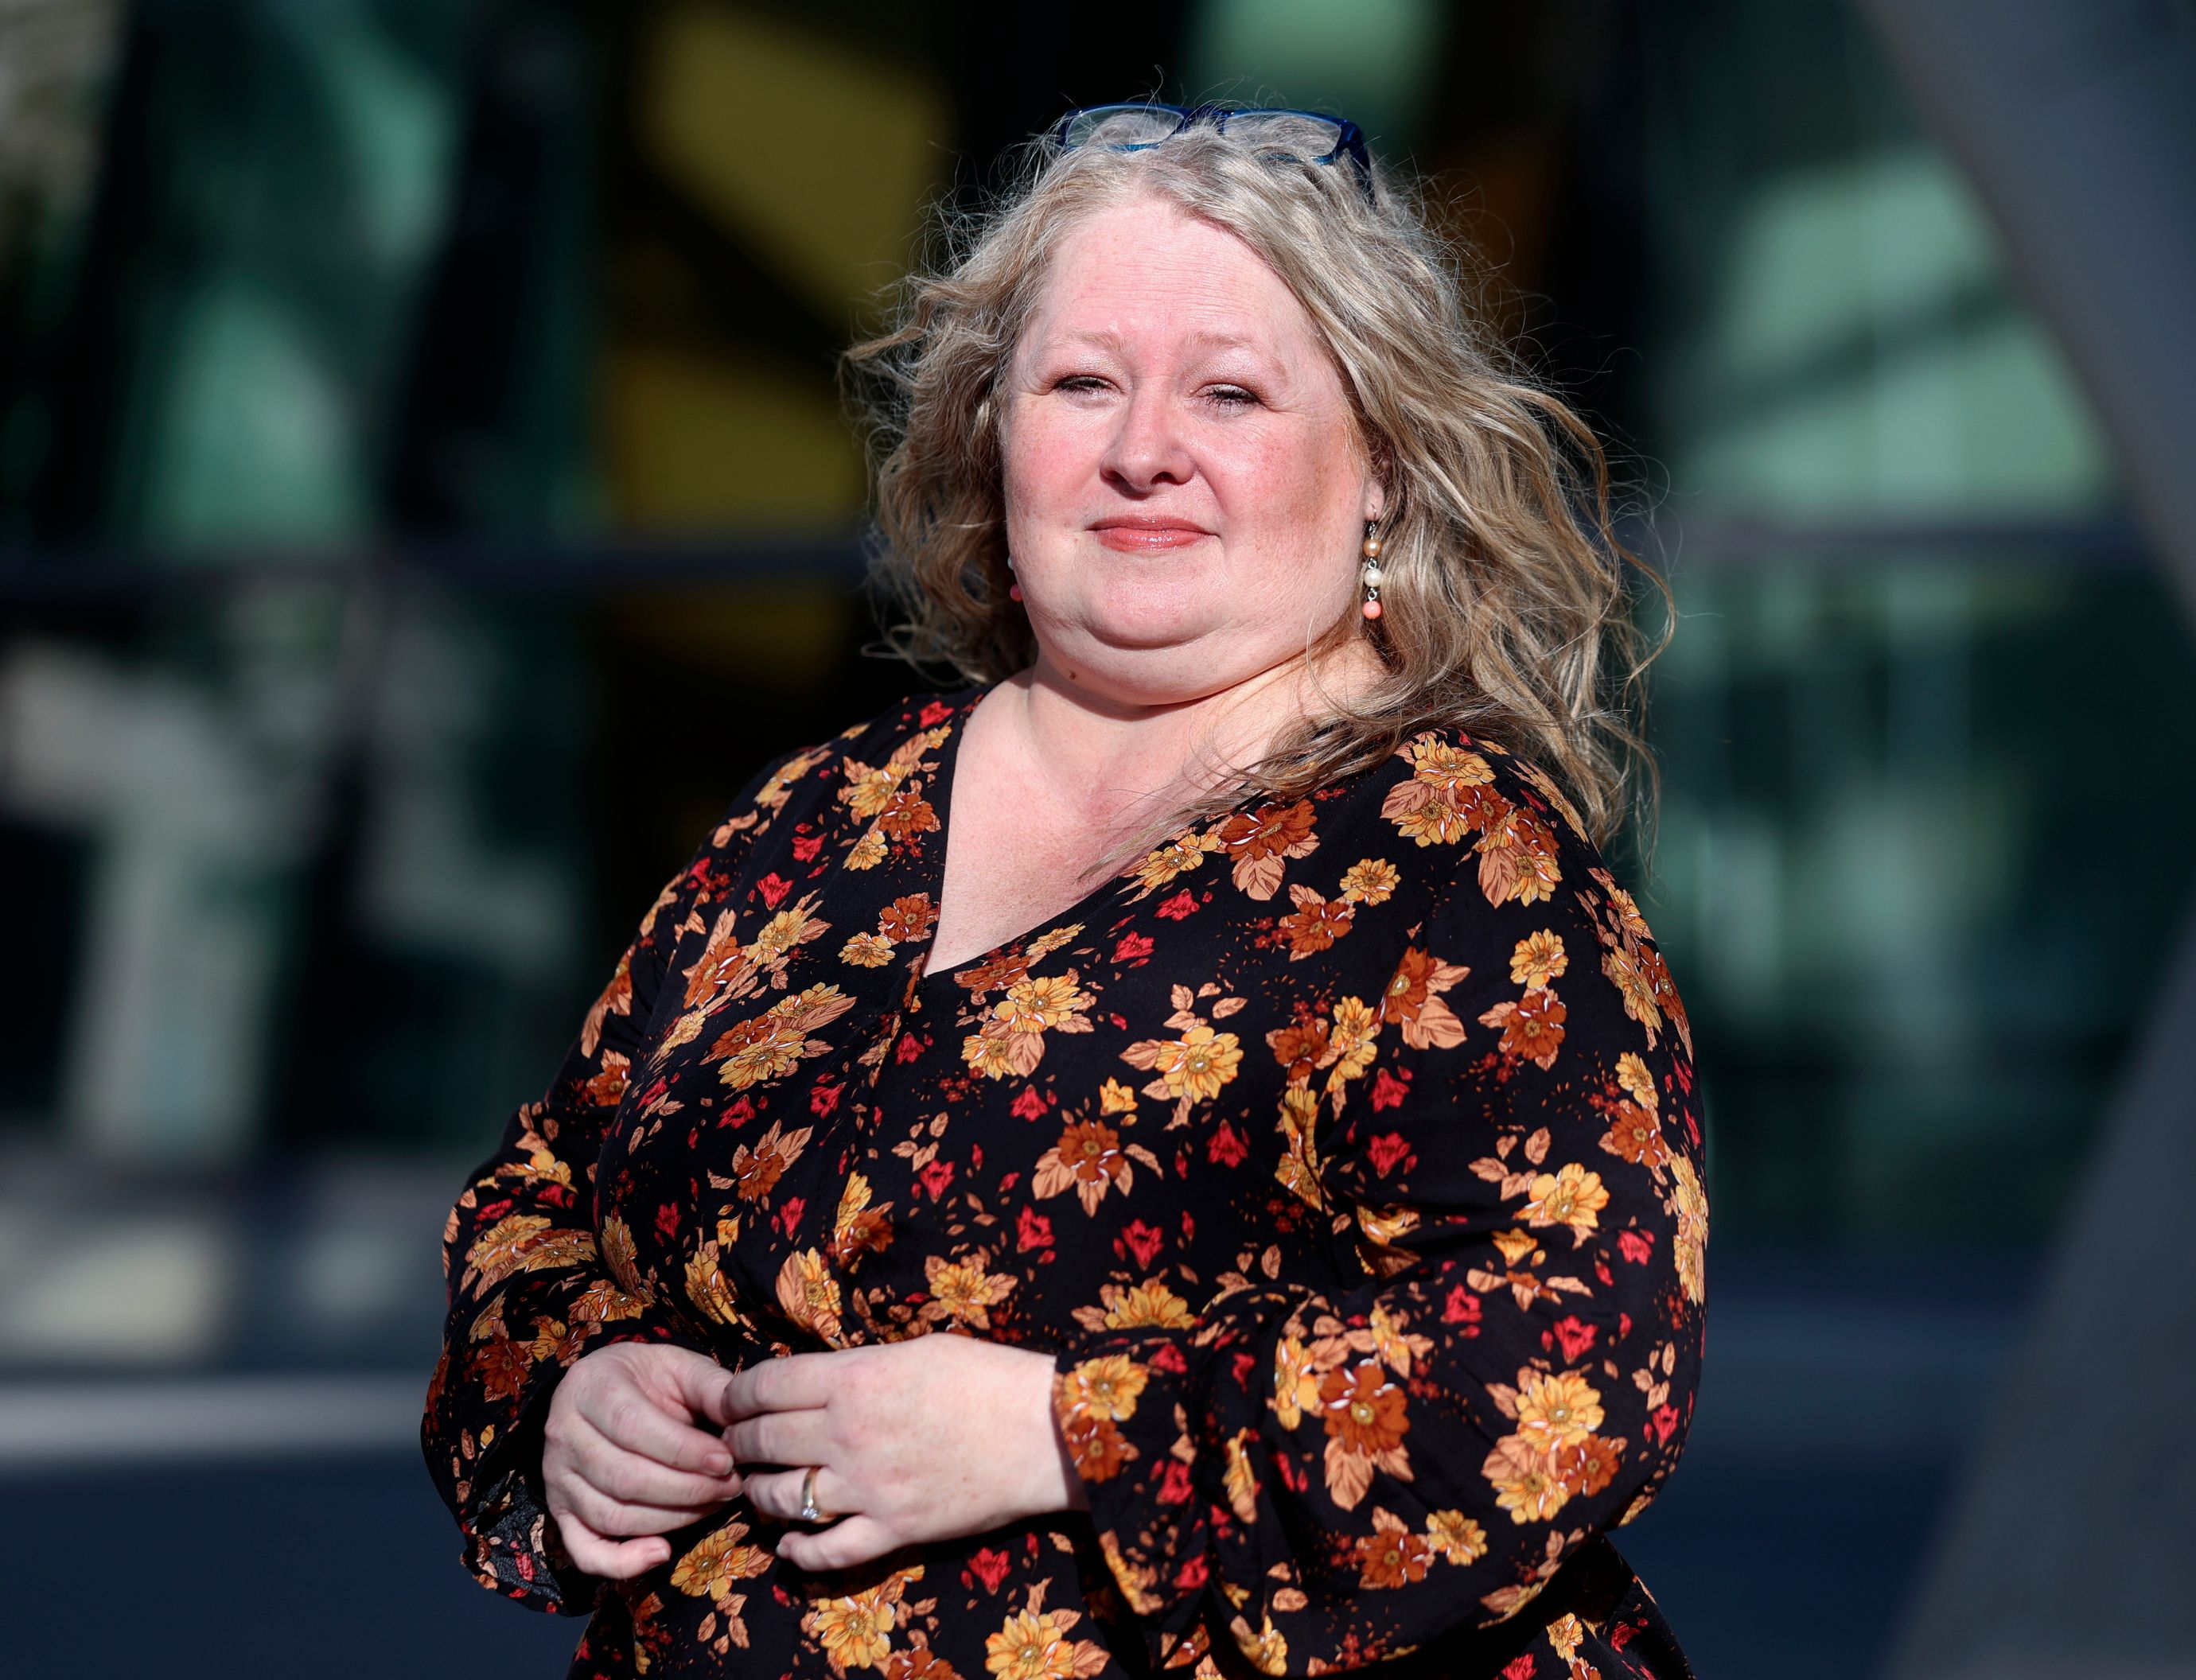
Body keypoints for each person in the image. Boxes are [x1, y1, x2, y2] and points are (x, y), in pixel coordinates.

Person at [423, 103, 1705, 1679]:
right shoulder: (819, 822)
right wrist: (575, 1389)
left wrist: (1057, 1435)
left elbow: (1568, 1368)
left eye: (1230, 391)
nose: (1142, 448)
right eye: (1082, 382)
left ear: (1383, 469)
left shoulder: (1458, 873)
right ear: (990, 437)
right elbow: (543, 1193)